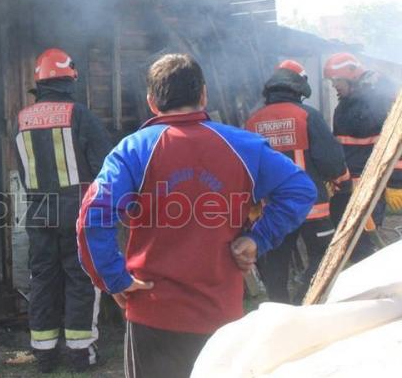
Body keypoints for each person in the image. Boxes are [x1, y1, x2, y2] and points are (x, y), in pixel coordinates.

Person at [77, 53, 316, 378]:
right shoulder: (244, 146)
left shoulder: (133, 150)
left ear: (151, 101)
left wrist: (113, 278)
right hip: (221, 317)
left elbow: (93, 217)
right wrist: (257, 239)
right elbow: (300, 189)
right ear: (203, 94)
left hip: (153, 311)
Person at [14, 48, 113, 373]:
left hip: (38, 213)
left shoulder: (23, 119)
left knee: (43, 279)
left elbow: (24, 170)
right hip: (77, 213)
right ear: (70, 80)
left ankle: (44, 354)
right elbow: (104, 166)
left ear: (40, 82)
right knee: (81, 278)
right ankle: (80, 354)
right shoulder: (80, 115)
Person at [245, 60, 349, 303]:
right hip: (312, 209)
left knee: (276, 265)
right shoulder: (307, 116)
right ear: (299, 87)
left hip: (273, 212)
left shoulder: (253, 121)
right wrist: (344, 182)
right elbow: (331, 161)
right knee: (324, 259)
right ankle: (309, 298)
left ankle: (278, 311)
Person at [324, 52, 401, 258]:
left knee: (366, 241)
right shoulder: (344, 106)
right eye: (332, 81)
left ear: (352, 76)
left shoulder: (378, 101)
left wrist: (395, 182)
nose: (334, 85)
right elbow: (341, 145)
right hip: (350, 184)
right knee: (353, 239)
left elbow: (393, 142)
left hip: (372, 183)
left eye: (337, 80)